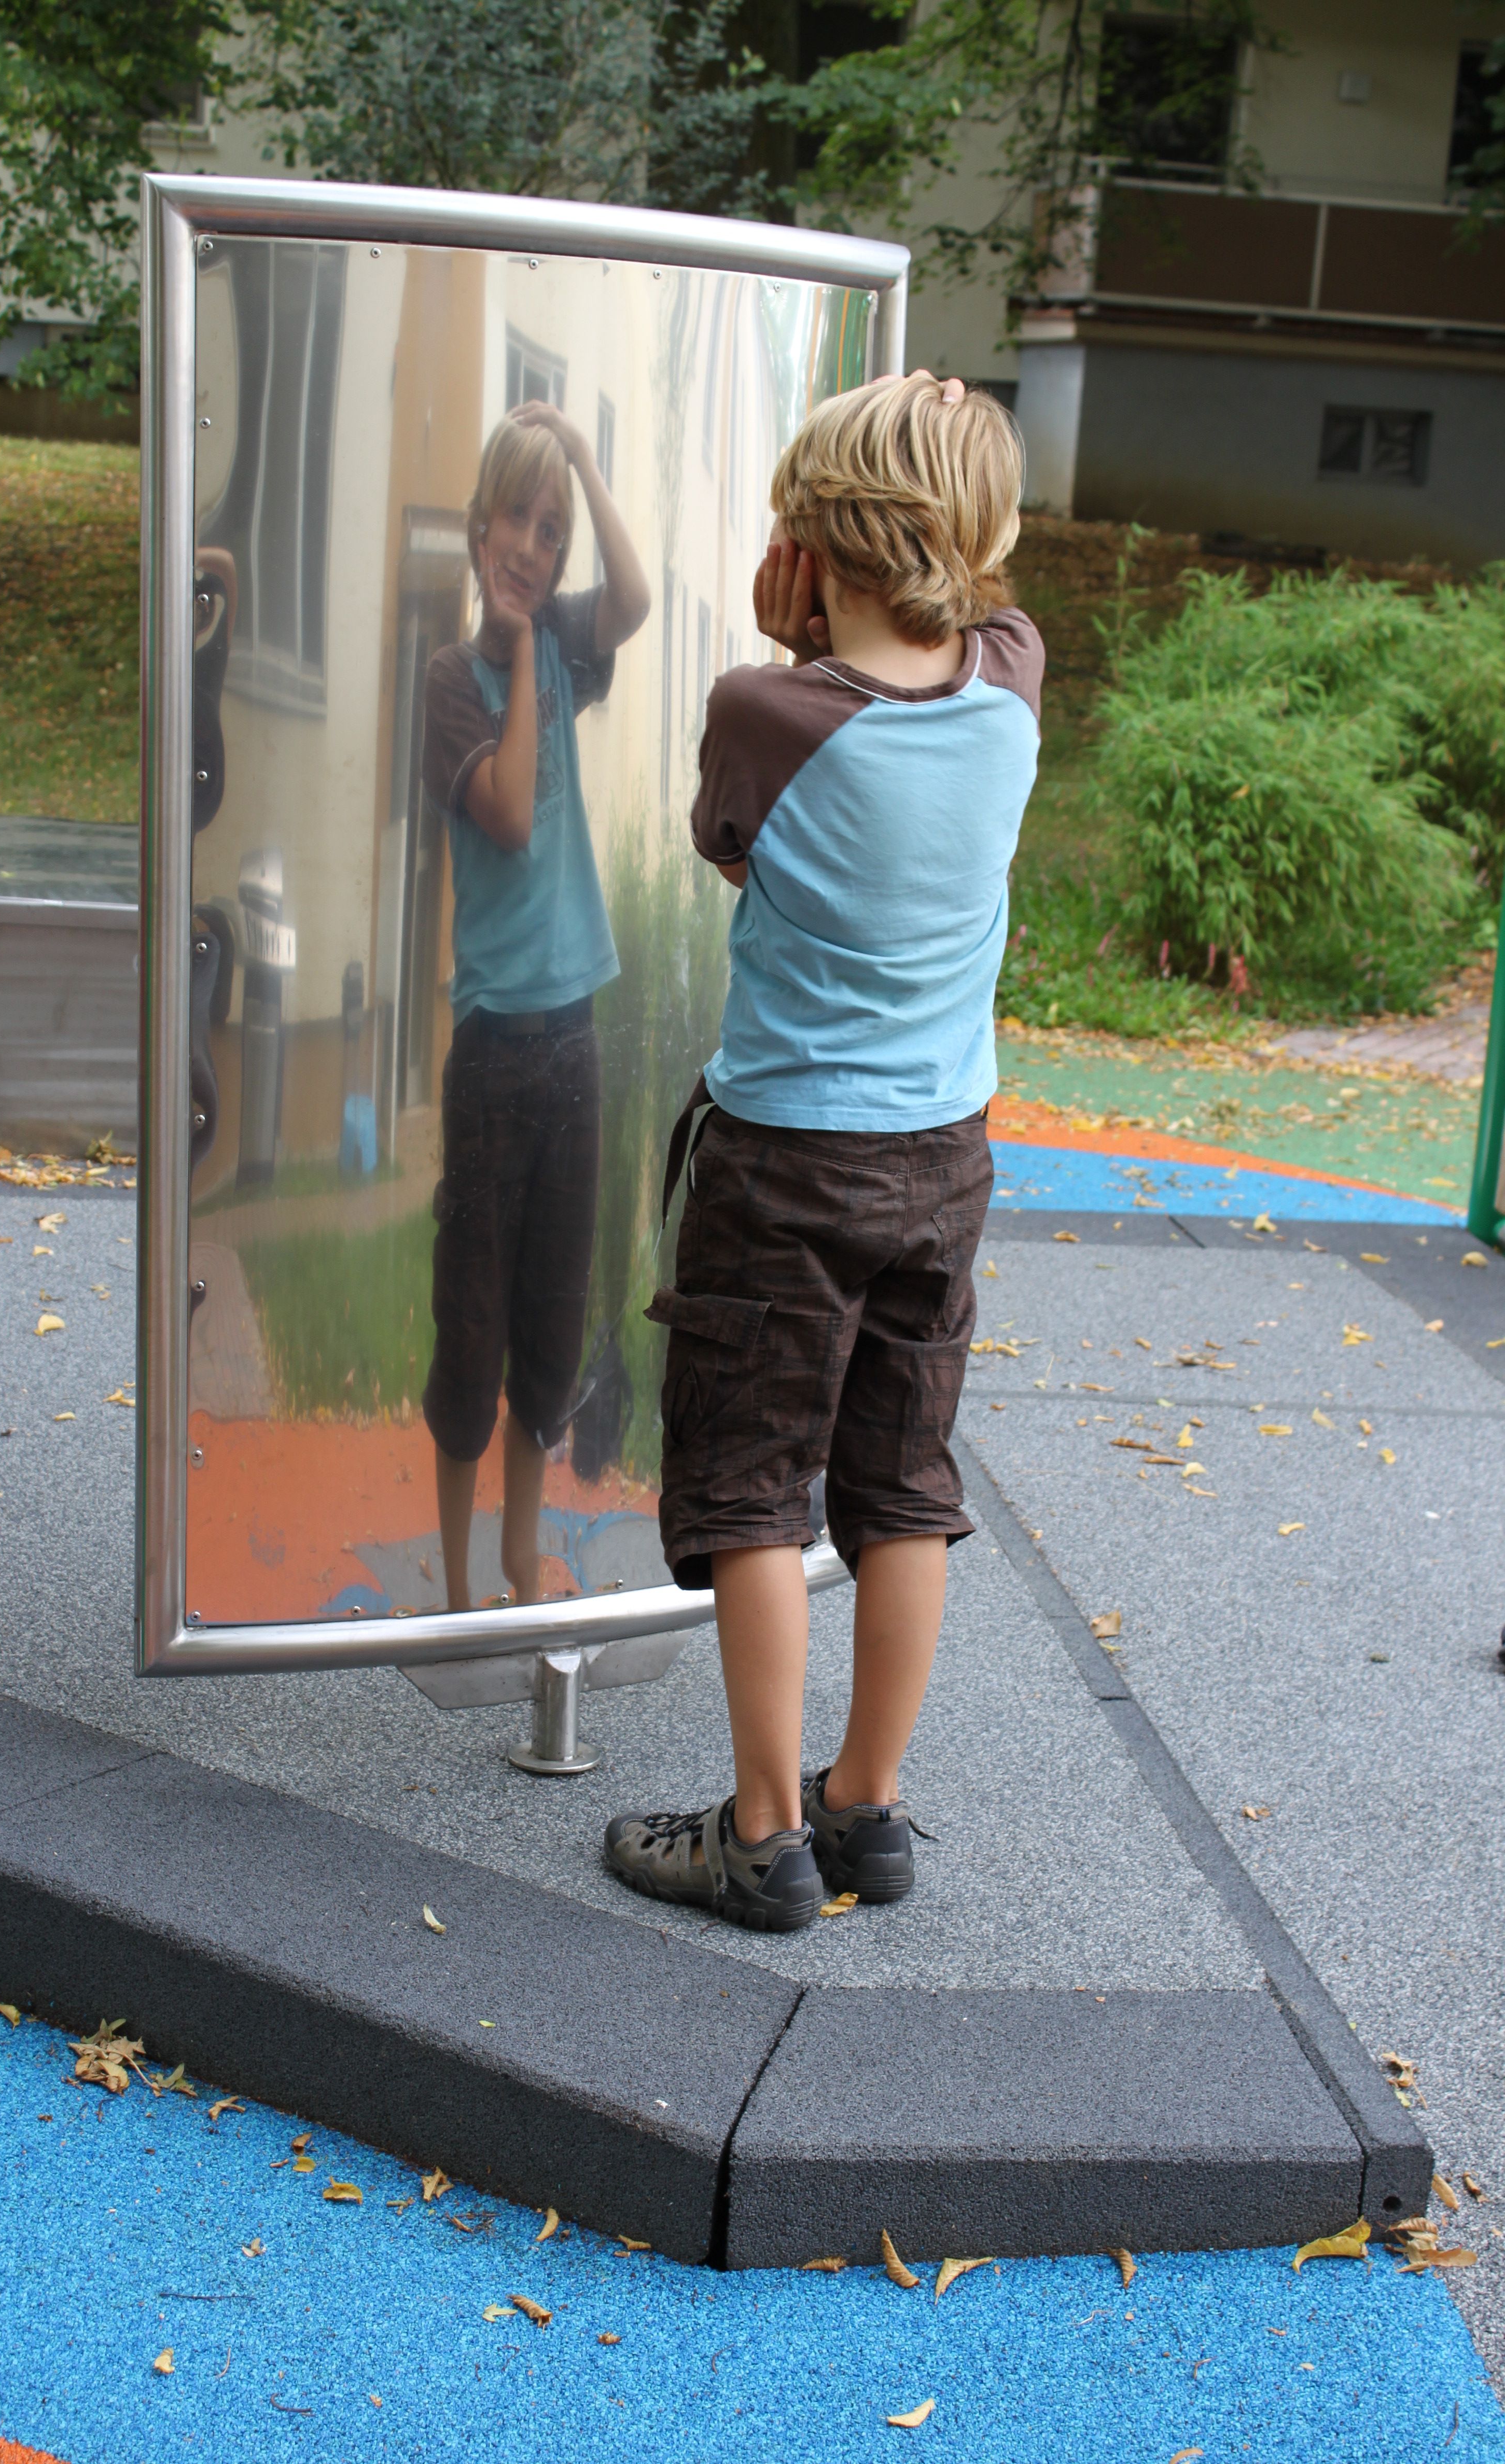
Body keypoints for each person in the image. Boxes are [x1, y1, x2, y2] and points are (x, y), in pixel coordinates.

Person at [604, 371, 1042, 1930]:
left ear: (811, 547)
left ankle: (763, 1836)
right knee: (905, 1482)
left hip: (786, 1160)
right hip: (944, 1161)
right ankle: (868, 1803)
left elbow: (732, 847)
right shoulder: (1013, 678)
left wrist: (795, 642)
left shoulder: (764, 708)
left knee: (753, 1486)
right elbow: (975, 617)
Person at [420, 402, 649, 1612]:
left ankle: (519, 1555)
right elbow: (509, 812)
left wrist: (589, 468)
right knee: (474, 1315)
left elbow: (637, 599)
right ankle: (459, 1578)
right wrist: (514, 653)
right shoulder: (452, 681)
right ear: (478, 532)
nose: (533, 545)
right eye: (518, 518)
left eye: (553, 532)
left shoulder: (565, 639)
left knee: (551, 1318)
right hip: (495, 1050)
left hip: (574, 1038)